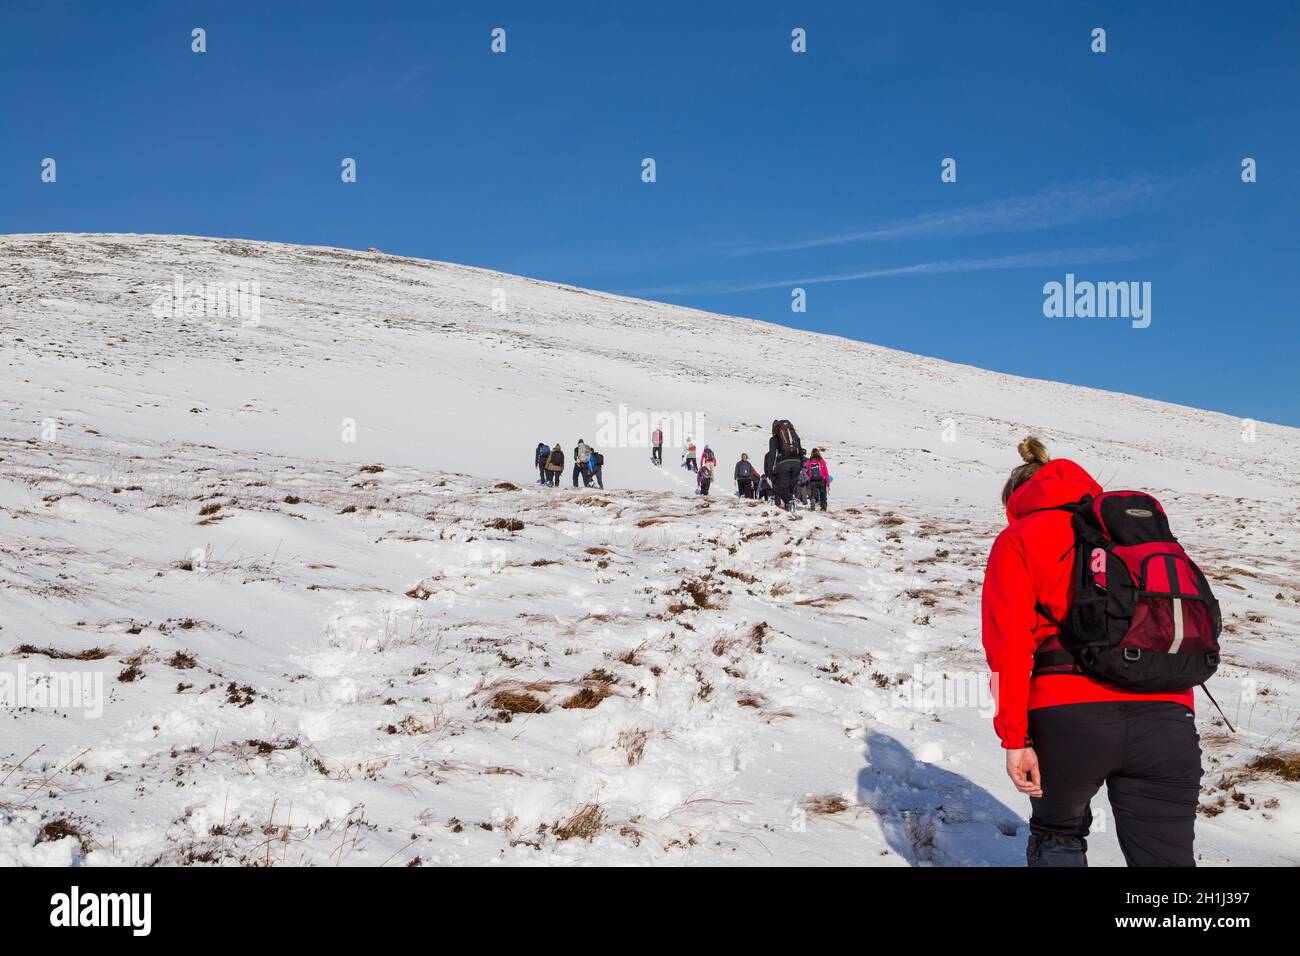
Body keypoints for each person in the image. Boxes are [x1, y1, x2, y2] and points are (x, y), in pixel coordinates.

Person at [981, 436, 1201, 867]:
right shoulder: (1134, 533)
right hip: (1167, 719)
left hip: (1068, 719)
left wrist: (1015, 737)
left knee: (1058, 837)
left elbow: (1009, 646)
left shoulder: (1019, 537)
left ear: (1017, 497)